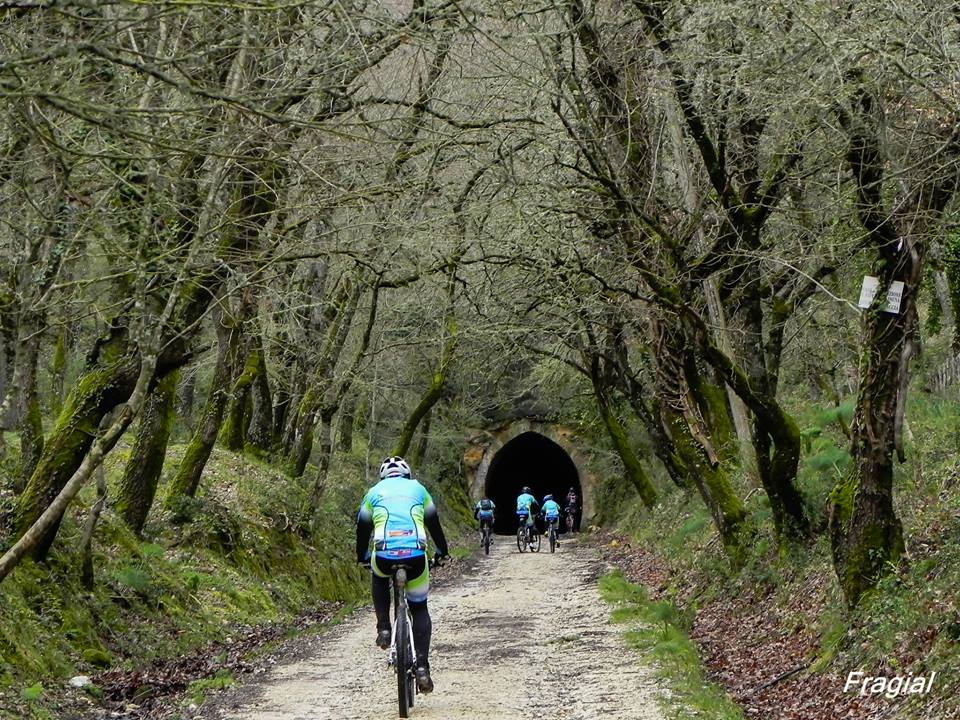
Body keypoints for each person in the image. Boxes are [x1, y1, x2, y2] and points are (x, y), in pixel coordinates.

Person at [356, 456, 449, 693]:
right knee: (419, 608)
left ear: (383, 476)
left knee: (378, 577)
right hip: (416, 555)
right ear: (407, 474)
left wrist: (362, 555)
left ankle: (384, 629)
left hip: (384, 554)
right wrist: (442, 551)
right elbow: (433, 521)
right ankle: (423, 668)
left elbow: (363, 527)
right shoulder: (419, 489)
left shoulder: (373, 492)